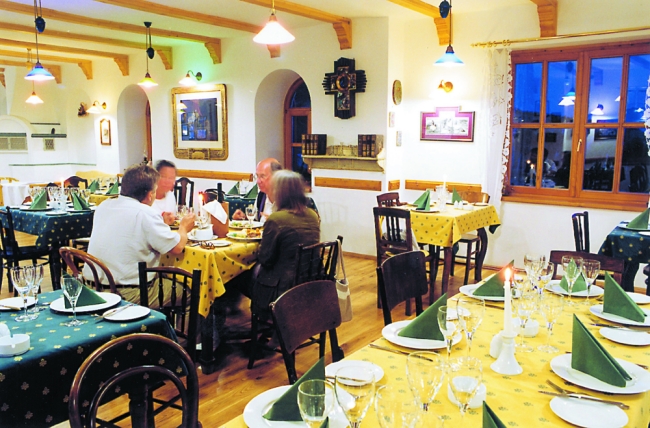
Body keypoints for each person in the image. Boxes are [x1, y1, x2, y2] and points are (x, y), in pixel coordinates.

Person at [84, 164, 195, 301]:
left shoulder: (104, 205)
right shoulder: (144, 213)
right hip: (124, 293)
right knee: (190, 292)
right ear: (149, 195)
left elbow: (130, 230)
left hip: (91, 287)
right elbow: (177, 248)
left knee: (164, 277)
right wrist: (183, 227)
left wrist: (162, 223)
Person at [250, 170, 321, 312]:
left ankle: (220, 321)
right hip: (310, 281)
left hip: (282, 288)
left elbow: (265, 259)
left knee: (238, 277)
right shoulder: (313, 215)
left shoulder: (277, 219)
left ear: (280, 193)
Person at [232, 158, 282, 222]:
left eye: (262, 176)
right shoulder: (261, 196)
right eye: (257, 176)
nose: (258, 181)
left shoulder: (287, 199)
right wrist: (243, 218)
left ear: (276, 176)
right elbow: (256, 222)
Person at [151, 159, 178, 226]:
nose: (167, 181)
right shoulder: (146, 198)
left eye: (171, 178)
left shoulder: (170, 195)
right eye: (163, 176)